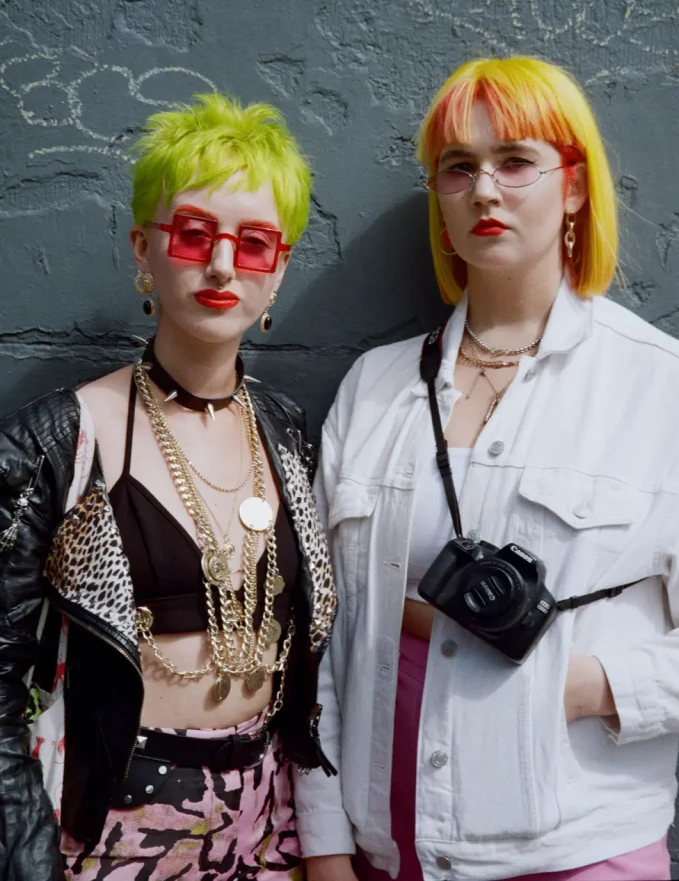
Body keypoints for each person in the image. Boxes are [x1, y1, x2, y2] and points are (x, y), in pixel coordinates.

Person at [297, 56, 679, 881]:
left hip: (575, 848)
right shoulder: (377, 385)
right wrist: (325, 843)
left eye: (515, 161)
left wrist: (576, 687)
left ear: (573, 187)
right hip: (385, 849)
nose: (485, 190)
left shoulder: (658, 388)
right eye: (457, 168)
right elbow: (323, 640)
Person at [0, 93, 337, 881]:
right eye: (193, 234)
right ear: (144, 250)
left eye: (253, 245)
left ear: (278, 271)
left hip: (263, 827)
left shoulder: (288, 433)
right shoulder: (59, 440)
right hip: (113, 827)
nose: (222, 265)